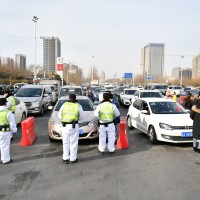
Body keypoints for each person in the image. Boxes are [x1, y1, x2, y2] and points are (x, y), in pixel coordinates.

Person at [58, 94, 84, 164]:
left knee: (65, 143)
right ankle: (73, 159)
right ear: (75, 98)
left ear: (69, 98)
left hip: (65, 126)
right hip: (74, 126)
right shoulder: (78, 106)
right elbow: (82, 117)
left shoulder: (64, 105)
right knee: (73, 143)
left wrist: (65, 119)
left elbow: (59, 116)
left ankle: (65, 158)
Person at [0, 97, 17, 164]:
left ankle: (2, 158)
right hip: (4, 132)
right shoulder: (8, 112)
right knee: (5, 146)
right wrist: (14, 130)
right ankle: (5, 160)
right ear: (5, 103)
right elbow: (12, 124)